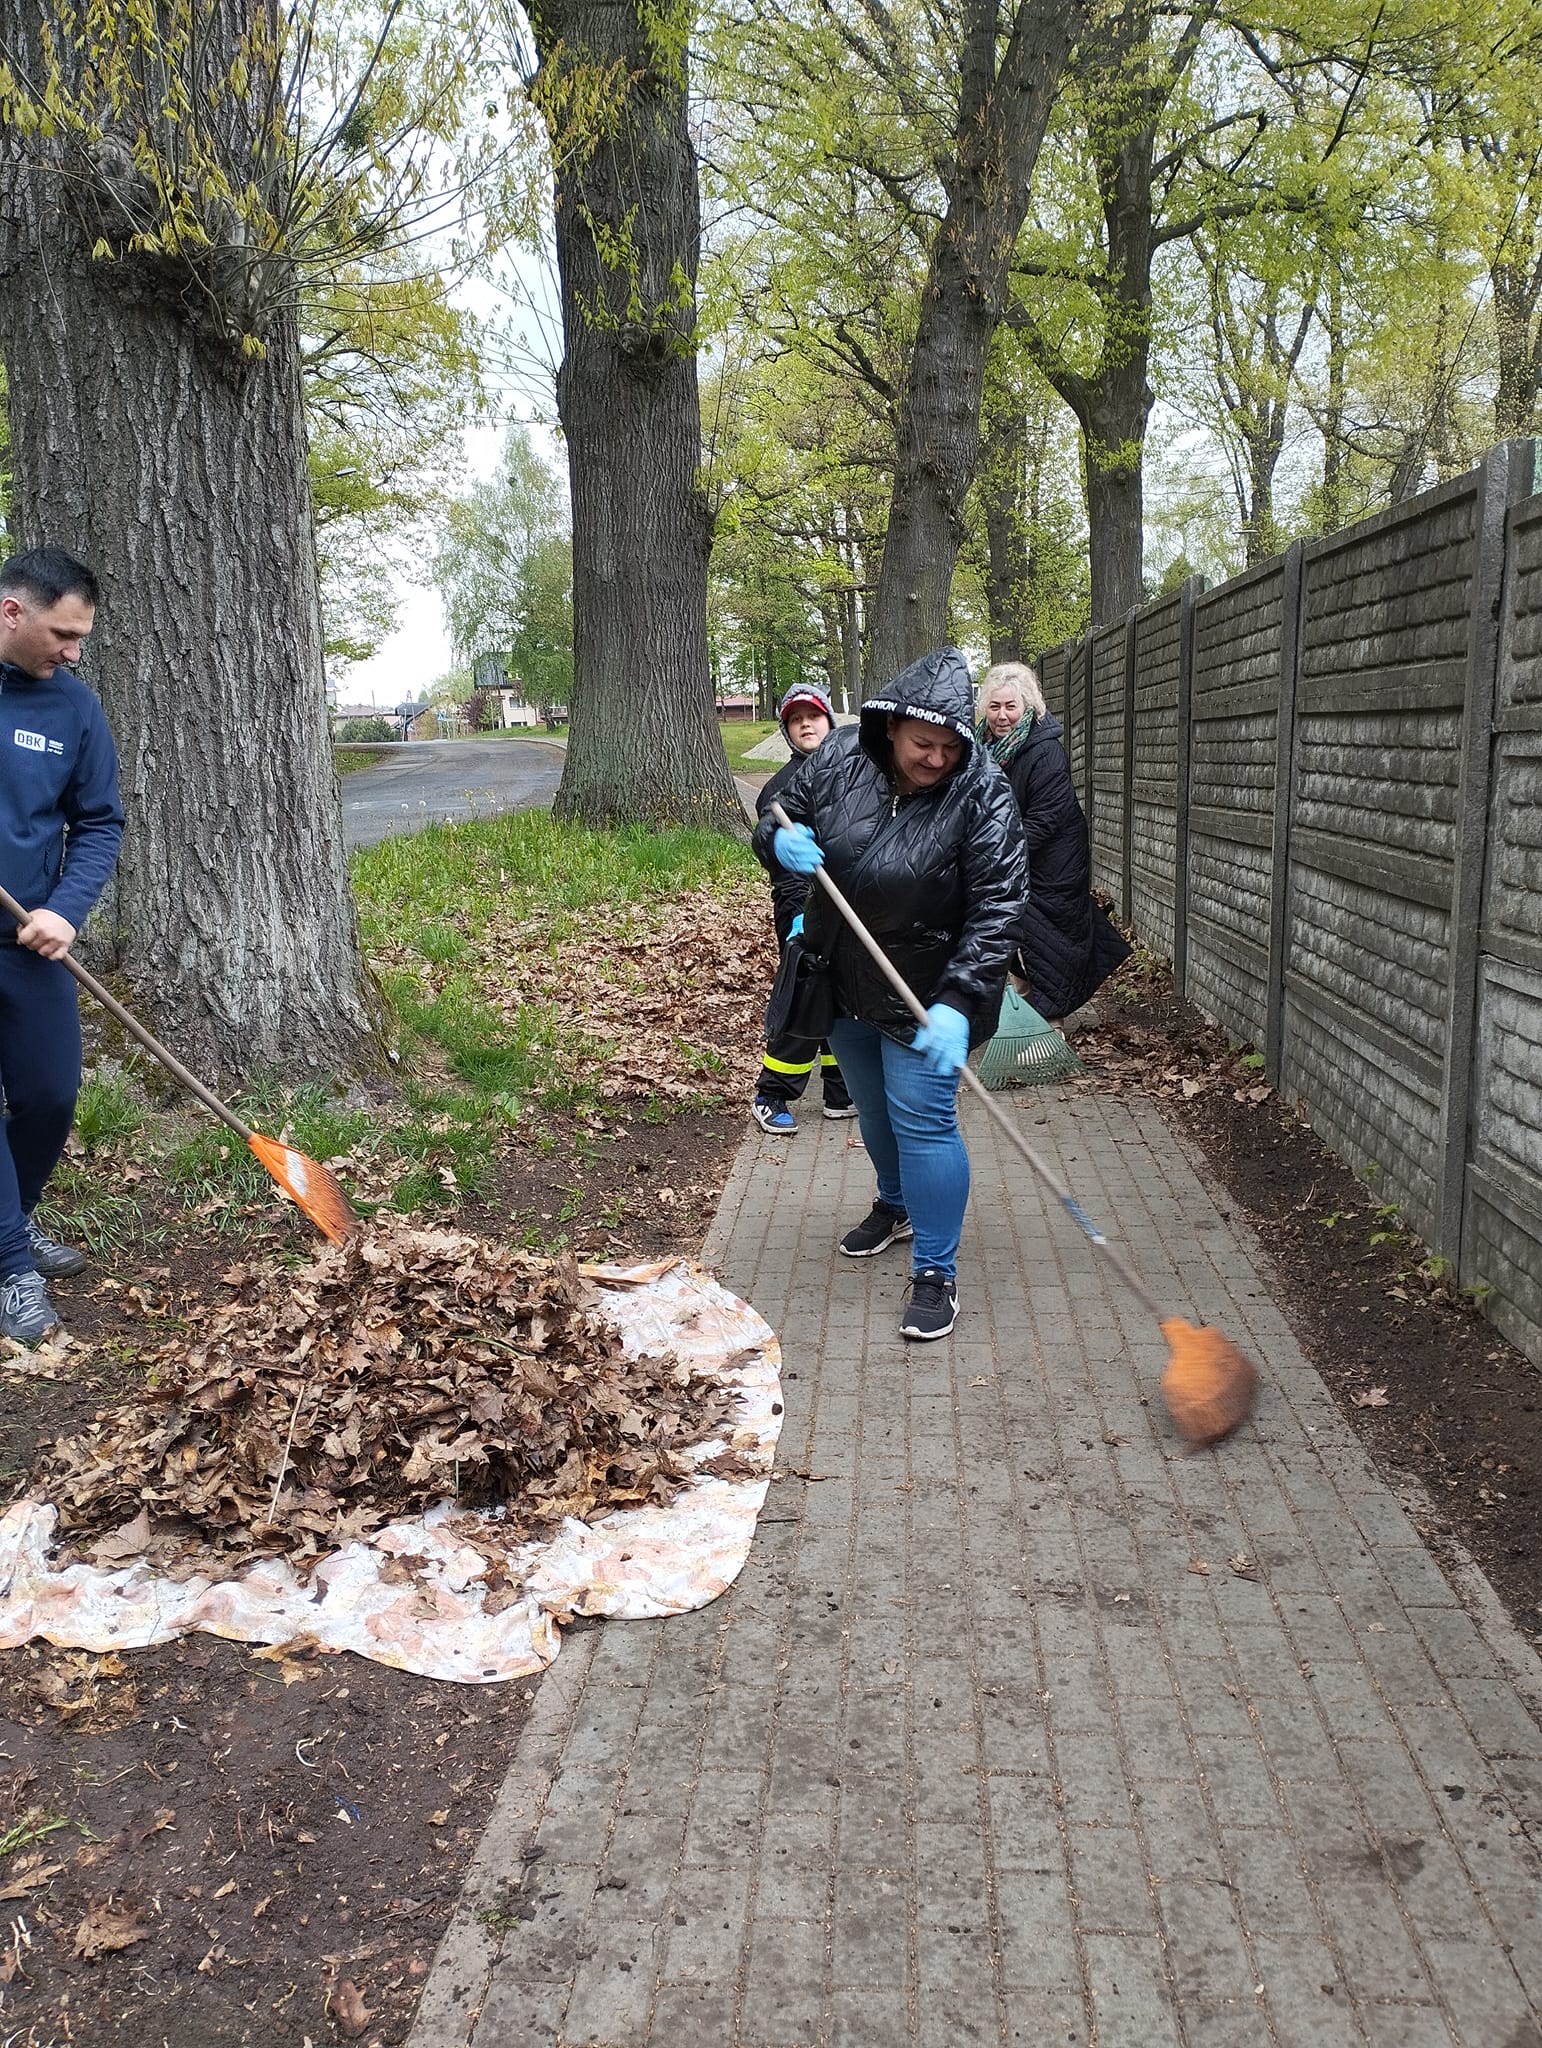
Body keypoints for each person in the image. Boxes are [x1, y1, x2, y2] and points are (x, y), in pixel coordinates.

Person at [754, 648, 1027, 1341]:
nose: (935, 758)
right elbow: (777, 813)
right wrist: (777, 844)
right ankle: (896, 1203)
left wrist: (960, 1002)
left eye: (947, 746)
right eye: (921, 744)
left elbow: (998, 906)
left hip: (927, 986)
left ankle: (936, 1271)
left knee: (924, 1121)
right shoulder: (842, 755)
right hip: (842, 972)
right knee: (871, 1110)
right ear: (890, 728)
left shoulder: (982, 789)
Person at [0, 548, 124, 1344]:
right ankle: (11, 1265)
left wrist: (66, 911)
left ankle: (17, 1214)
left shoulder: (73, 709)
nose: (73, 651)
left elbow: (101, 821)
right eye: (63, 633)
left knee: (50, 1095)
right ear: (12, 611)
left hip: (28, 940)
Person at [976, 660, 1130, 1026]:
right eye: (994, 706)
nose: (1001, 716)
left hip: (1054, 858)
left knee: (1047, 938)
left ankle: (1049, 1023)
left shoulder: (1045, 751)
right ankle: (1029, 1007)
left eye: (1010, 707)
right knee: (1009, 929)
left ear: (1027, 707)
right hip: (1013, 853)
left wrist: (1001, 852)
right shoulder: (981, 748)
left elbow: (1047, 817)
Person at [750, 682, 855, 1135]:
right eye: (796, 719)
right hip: (801, 908)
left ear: (829, 721)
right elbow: (776, 856)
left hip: (847, 907)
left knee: (845, 997)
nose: (806, 724)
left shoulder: (853, 773)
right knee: (808, 998)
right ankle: (771, 1094)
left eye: (813, 715)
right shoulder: (778, 789)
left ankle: (839, 1089)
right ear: (787, 731)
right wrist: (797, 912)